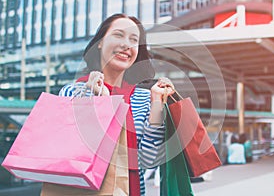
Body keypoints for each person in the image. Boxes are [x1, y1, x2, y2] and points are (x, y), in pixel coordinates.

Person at [40, 14, 174, 196]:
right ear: (100, 43)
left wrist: (157, 103)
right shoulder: (72, 92)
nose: (126, 44)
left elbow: (150, 160)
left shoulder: (145, 99)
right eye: (119, 35)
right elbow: (69, 155)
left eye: (134, 40)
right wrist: (95, 101)